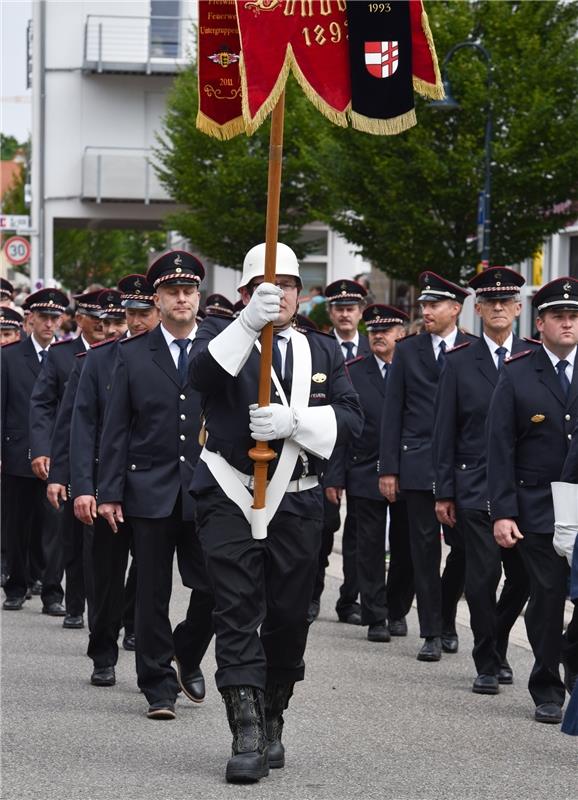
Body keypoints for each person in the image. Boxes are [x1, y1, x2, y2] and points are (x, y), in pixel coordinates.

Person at [189, 242, 363, 783]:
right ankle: (244, 727)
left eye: (288, 284)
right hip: (229, 491)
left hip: (297, 497)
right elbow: (201, 379)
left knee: (289, 615)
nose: (279, 293)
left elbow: (354, 422)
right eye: (267, 286)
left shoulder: (323, 351)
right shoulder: (224, 341)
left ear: (300, 292)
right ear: (246, 292)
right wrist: (245, 324)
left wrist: (295, 423)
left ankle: (273, 713)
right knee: (237, 607)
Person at [97, 251, 214, 720]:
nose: (181, 298)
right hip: (148, 489)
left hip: (208, 489)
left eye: (188, 291)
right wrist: (108, 491)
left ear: (198, 297)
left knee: (215, 586)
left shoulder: (221, 344)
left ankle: (185, 649)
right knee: (150, 593)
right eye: (172, 292)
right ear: (158, 301)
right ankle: (157, 686)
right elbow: (117, 429)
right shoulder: (131, 354)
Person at [433, 267, 533, 694]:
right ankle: (487, 659)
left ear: (517, 308)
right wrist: (444, 492)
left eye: (505, 301)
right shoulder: (458, 361)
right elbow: (444, 430)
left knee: (525, 576)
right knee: (482, 575)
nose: (497, 308)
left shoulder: (532, 357)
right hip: (473, 485)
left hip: (523, 489)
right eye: (489, 302)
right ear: (477, 309)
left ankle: (500, 641)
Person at [487, 276, 578, 724]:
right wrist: (502, 512)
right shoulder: (518, 372)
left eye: (574, 316)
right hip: (537, 507)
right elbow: (500, 448)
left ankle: (572, 665)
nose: (567, 323)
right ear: (539, 323)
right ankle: (547, 684)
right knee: (546, 594)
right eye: (559, 316)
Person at [379, 271, 475, 662]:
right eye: (424, 305)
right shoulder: (408, 349)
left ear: (456, 309)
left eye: (435, 305)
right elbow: (393, 411)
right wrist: (389, 468)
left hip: (464, 467)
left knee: (466, 548)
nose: (427, 311)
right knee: (422, 550)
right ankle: (432, 632)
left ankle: (448, 615)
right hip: (417, 463)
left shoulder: (472, 348)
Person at [70, 274, 159, 687]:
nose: (136, 322)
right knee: (104, 575)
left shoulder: (165, 361)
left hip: (150, 489)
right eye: (131, 314)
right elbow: (82, 427)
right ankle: (102, 651)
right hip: (107, 486)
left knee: (148, 574)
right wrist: (83, 487)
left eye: (144, 314)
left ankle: (142, 636)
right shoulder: (99, 360)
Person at [325, 304, 414, 642]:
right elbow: (340, 428)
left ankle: (397, 610)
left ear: (400, 334)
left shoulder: (414, 367)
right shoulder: (352, 371)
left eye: (386, 330)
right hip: (363, 469)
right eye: (374, 330)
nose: (378, 335)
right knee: (370, 547)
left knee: (406, 548)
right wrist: (334, 476)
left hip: (407, 471)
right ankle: (376, 615)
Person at [29, 289, 106, 629]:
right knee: (74, 537)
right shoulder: (64, 357)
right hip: (76, 455)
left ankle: (106, 610)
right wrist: (44, 450)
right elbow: (47, 408)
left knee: (105, 544)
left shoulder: (122, 354)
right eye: (97, 318)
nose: (104, 325)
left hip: (112, 458)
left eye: (111, 319)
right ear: (80, 320)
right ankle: (73, 604)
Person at [1, 289, 68, 615]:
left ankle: (52, 591)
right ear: (30, 319)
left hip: (55, 455)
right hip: (17, 454)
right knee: (17, 525)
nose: (49, 324)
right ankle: (16, 586)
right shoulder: (10, 356)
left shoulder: (64, 355)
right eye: (43, 317)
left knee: (54, 527)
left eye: (55, 318)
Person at [310, 279, 370, 626]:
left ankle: (350, 599)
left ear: (360, 312)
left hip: (363, 456)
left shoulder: (373, 346)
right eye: (339, 308)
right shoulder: (318, 347)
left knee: (359, 536)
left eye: (351, 308)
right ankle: (313, 595)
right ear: (330, 312)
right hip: (326, 455)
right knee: (321, 532)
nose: (345, 314)